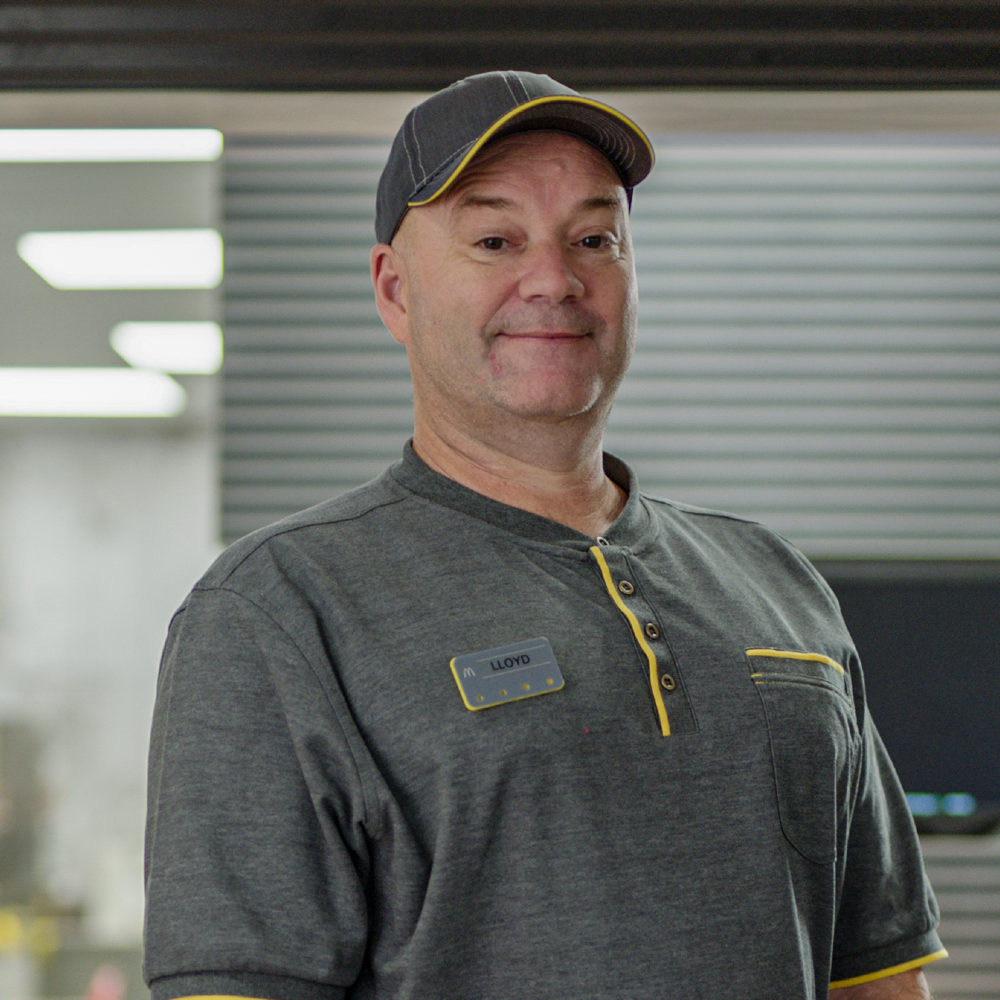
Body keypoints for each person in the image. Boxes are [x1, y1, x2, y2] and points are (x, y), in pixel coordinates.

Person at [144, 71, 946, 1000]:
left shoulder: (776, 584)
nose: (555, 280)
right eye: (495, 240)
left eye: (594, 239)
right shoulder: (278, 611)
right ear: (394, 291)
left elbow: (873, 974)